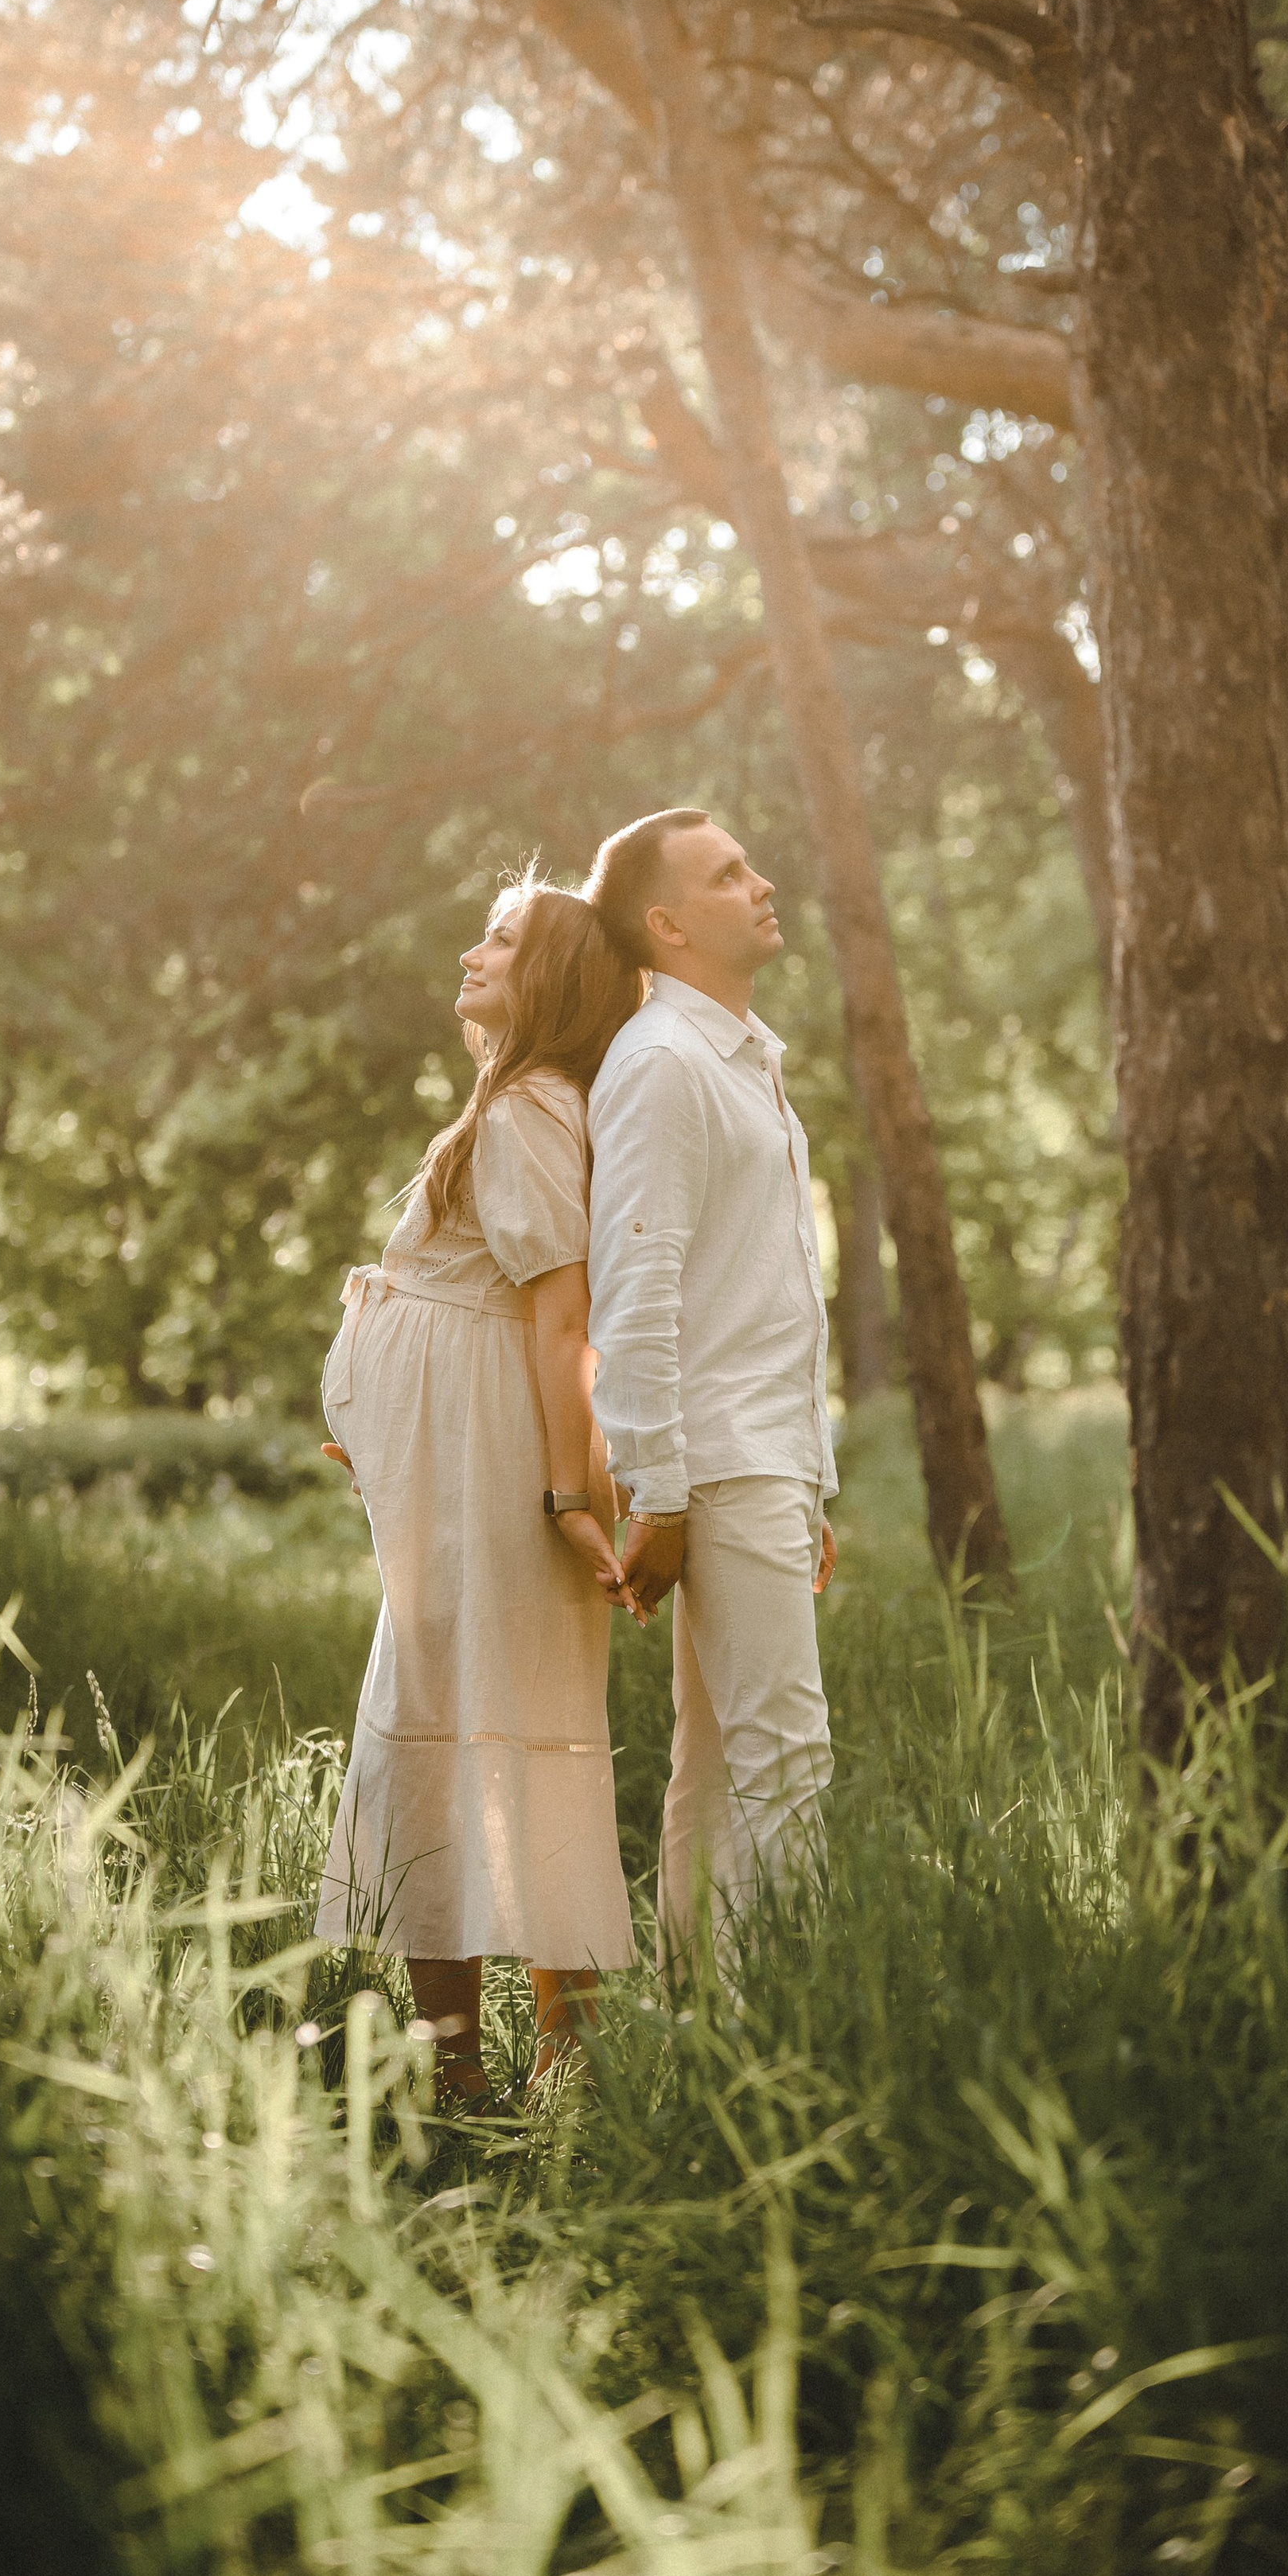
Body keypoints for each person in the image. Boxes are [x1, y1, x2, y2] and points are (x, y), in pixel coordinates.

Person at [314, 880, 642, 2102]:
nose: (470, 949)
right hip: (452, 1466)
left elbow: (564, 1310)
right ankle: (489, 2071)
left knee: (471, 1721)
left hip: (494, 1474)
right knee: (460, 1720)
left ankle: (523, 2067)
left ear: (551, 973)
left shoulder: (530, 1111)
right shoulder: (514, 1105)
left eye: (500, 938)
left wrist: (570, 1494)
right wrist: (383, 1418)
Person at [583, 809, 839, 1969]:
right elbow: (636, 1289)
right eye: (729, 875)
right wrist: (661, 1493)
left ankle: (707, 2033)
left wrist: (814, 1477)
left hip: (760, 1456)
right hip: (719, 1465)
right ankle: (787, 2030)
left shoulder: (740, 1054)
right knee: (784, 1762)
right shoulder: (664, 1064)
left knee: (725, 1767)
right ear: (669, 924)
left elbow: (762, 1295)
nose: (763, 881)